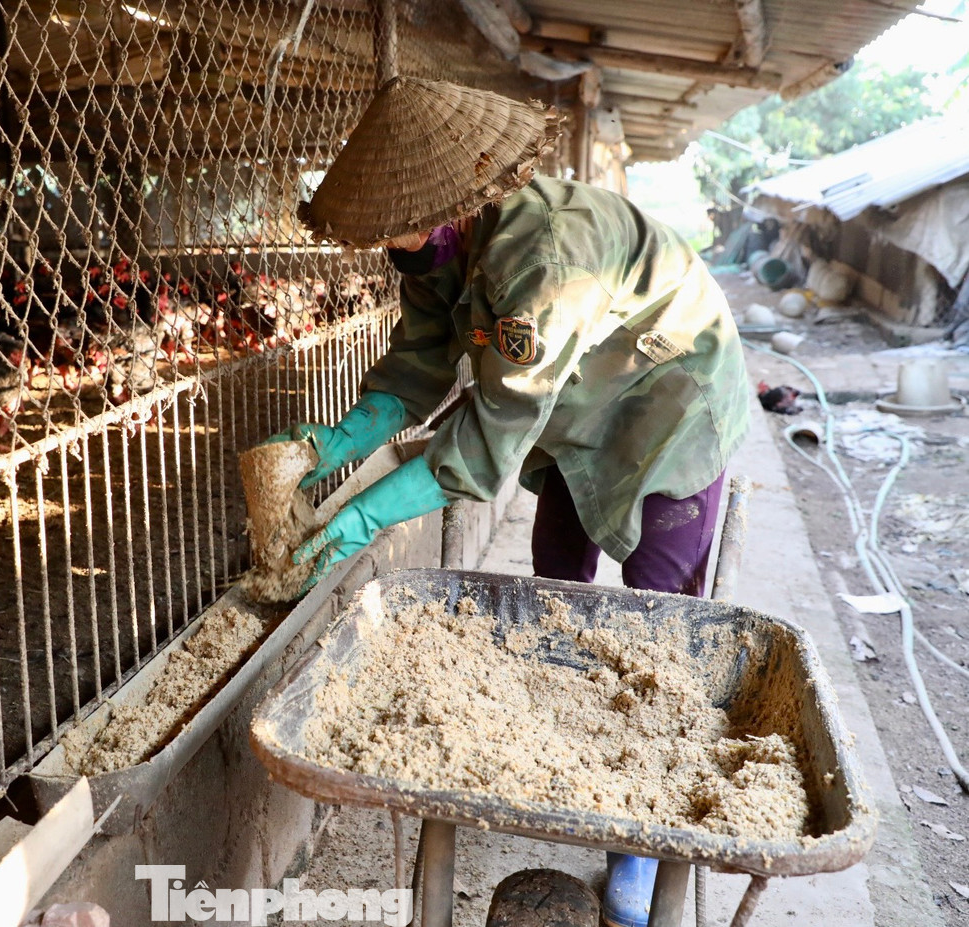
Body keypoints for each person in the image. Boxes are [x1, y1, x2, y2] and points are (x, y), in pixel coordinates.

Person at [263, 77, 750, 927]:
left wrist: (365, 514)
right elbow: (421, 360)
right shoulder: (435, 250)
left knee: (658, 614)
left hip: (671, 400)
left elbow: (487, 441)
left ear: (448, 201)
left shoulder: (544, 259)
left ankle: (642, 831)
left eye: (395, 226)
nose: (388, 241)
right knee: (556, 578)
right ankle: (568, 751)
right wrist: (344, 436)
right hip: (575, 405)